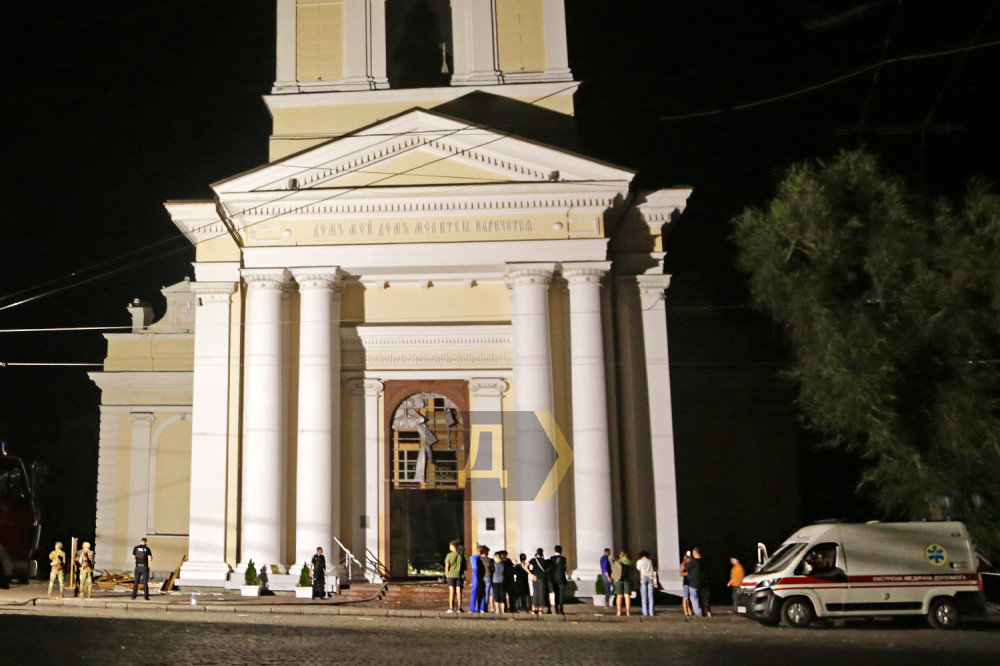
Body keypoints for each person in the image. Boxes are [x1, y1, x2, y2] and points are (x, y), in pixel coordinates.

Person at [682, 547, 703, 616]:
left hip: (692, 582)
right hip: (687, 582)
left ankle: (693, 611)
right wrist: (684, 561)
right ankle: (687, 611)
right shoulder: (688, 563)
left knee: (693, 597)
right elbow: (682, 572)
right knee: (686, 597)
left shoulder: (693, 562)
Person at [444, 539, 464, 612]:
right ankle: (459, 608)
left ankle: (451, 608)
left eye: (450, 546)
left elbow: (447, 566)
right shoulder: (461, 555)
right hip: (459, 575)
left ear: (453, 546)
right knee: (459, 592)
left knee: (452, 591)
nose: (449, 547)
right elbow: (464, 566)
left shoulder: (449, 555)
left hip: (451, 575)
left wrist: (447, 574)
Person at [612, 550, 633, 616]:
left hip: (618, 580)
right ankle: (628, 612)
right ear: (626, 555)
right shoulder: (629, 562)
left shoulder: (617, 562)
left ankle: (619, 611)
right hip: (627, 580)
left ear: (620, 556)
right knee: (627, 596)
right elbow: (633, 572)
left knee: (619, 596)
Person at [528, 548, 549, 615]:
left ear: (536, 553)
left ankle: (534, 608)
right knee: (541, 593)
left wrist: (531, 574)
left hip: (535, 578)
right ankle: (540, 609)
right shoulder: (544, 561)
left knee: (535, 593)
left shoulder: (533, 560)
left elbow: (526, 566)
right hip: (542, 578)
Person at [636, 551, 657, 616]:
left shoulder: (639, 561)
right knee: (651, 595)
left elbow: (638, 569)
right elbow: (653, 570)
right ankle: (651, 612)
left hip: (643, 577)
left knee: (644, 595)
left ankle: (645, 612)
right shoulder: (650, 561)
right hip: (650, 577)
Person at [549, 545, 568, 615]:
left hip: (554, 579)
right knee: (561, 595)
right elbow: (565, 568)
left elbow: (550, 568)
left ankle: (556, 609)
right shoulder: (563, 559)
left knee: (556, 594)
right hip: (561, 578)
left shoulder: (551, 558)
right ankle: (561, 610)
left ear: (555, 550)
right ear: (561, 551)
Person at [680, 552, 693, 617]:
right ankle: (686, 610)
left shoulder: (691, 564)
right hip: (686, 582)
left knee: (690, 597)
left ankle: (689, 609)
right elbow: (681, 573)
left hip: (691, 582)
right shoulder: (683, 564)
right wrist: (688, 573)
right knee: (685, 596)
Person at [469, 544, 481, 613]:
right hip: (483, 576)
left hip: (475, 576)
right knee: (482, 593)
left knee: (474, 592)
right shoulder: (485, 558)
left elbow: (474, 568)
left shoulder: (473, 558)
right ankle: (482, 608)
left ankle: (472, 609)